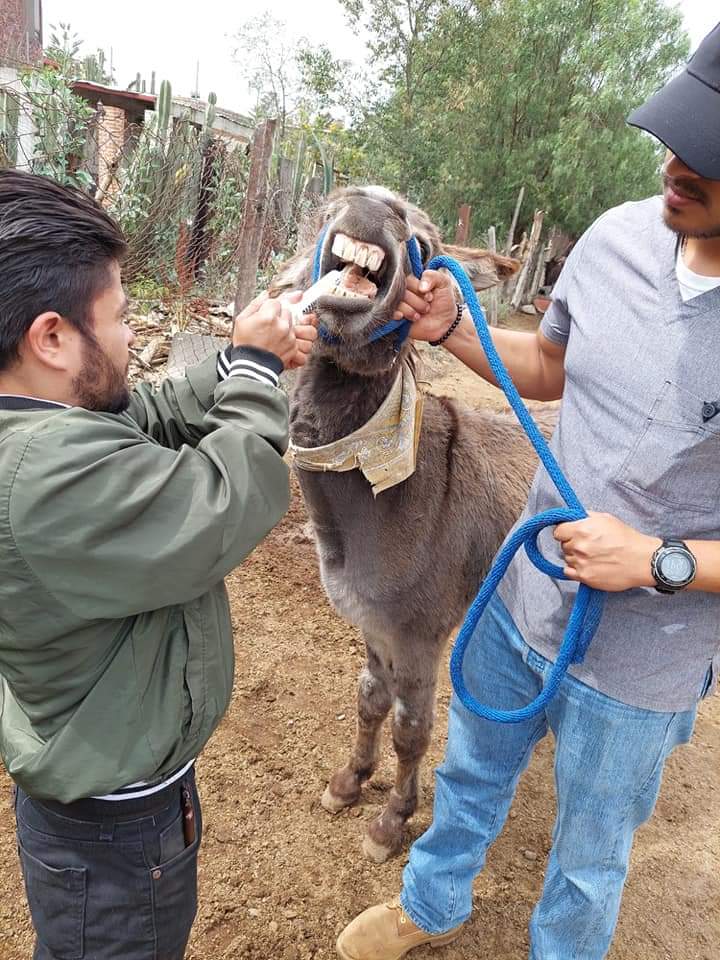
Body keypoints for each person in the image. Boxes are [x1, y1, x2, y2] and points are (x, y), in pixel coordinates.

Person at [336, 21, 720, 960]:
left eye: (708, 155)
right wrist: (451, 330)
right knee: (471, 771)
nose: (676, 161)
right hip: (527, 597)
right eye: (679, 132)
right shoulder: (618, 241)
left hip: (644, 661)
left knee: (590, 854)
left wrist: (656, 562)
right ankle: (430, 905)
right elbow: (547, 365)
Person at [0, 169, 317, 959]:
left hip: (97, 812)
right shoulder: (43, 474)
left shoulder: (41, 423)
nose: (129, 334)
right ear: (50, 337)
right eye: (120, 316)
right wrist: (256, 373)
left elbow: (144, 413)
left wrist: (239, 358)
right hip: (116, 836)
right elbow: (220, 502)